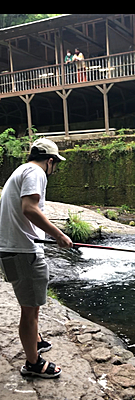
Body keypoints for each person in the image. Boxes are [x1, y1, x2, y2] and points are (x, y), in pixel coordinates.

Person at [0, 138, 73, 379]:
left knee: (32, 305)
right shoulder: (35, 171)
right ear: (50, 161)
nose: (55, 170)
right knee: (29, 311)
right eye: (56, 164)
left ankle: (36, 340)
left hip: (15, 249)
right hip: (23, 251)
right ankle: (33, 364)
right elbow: (29, 208)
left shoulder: (22, 169)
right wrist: (59, 235)